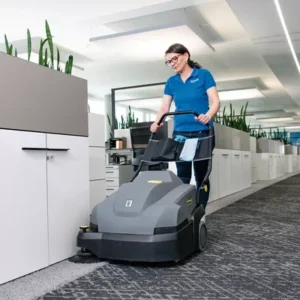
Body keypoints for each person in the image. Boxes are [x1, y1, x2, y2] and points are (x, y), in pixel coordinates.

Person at [150, 43, 220, 209]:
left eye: (174, 58)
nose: (172, 63)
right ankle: (184, 211)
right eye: (168, 61)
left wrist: (208, 115)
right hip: (181, 134)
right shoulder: (171, 82)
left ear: (186, 56)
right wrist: (156, 122)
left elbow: (215, 101)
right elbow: (164, 108)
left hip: (203, 132)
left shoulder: (203, 75)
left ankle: (200, 210)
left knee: (202, 175)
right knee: (182, 175)